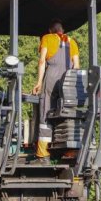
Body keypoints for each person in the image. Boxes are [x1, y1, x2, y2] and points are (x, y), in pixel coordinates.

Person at [31, 19, 80, 163]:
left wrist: (39, 82)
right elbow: (76, 66)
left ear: (50, 30)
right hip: (68, 80)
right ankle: (67, 151)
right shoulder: (73, 42)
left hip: (52, 77)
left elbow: (41, 62)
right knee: (66, 113)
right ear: (62, 30)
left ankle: (43, 155)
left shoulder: (47, 38)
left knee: (46, 113)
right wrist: (72, 86)